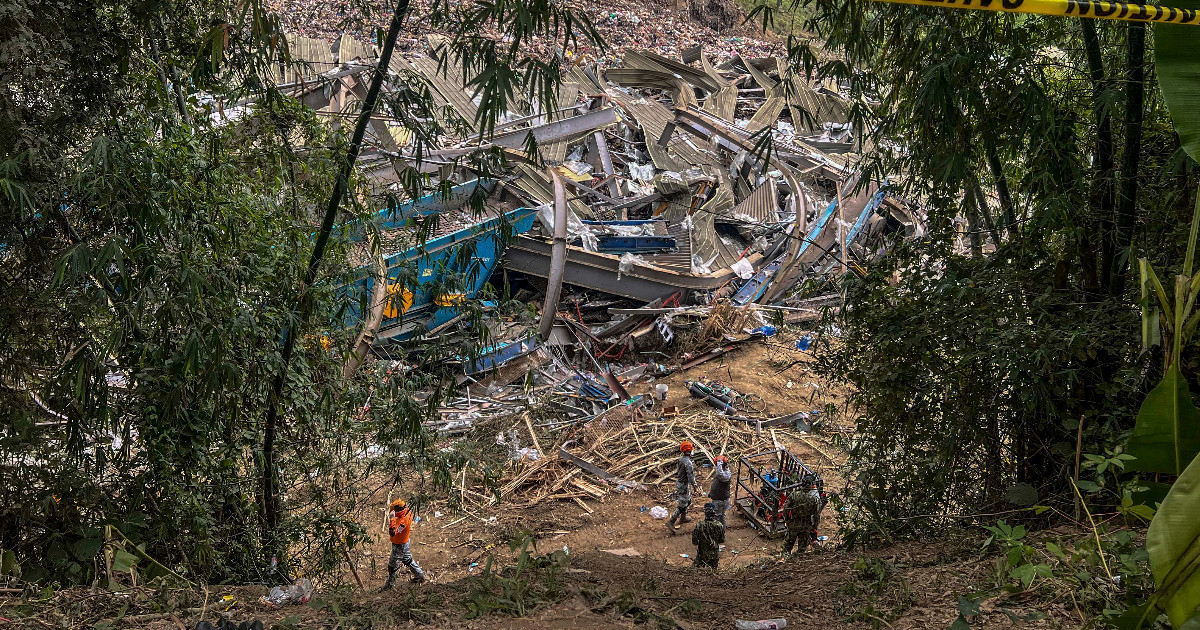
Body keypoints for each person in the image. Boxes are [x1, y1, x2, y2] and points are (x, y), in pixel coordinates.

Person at [382, 498, 426, 588]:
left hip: (400, 545)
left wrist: (392, 519)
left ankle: (389, 585)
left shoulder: (403, 520)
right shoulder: (408, 513)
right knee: (407, 560)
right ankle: (420, 575)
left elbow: (393, 532)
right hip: (403, 543)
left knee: (392, 566)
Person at [781, 474, 825, 555]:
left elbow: (786, 510)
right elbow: (816, 515)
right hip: (806, 525)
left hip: (793, 523)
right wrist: (815, 526)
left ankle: (783, 559)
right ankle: (796, 561)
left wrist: (787, 520)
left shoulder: (794, 495)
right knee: (802, 548)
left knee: (787, 546)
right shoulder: (815, 498)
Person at [667, 441, 701, 534]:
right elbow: (691, 476)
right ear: (689, 451)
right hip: (683, 485)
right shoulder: (688, 463)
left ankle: (683, 518)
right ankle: (671, 522)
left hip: (681, 483)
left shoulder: (681, 459)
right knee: (682, 505)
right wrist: (695, 487)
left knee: (688, 501)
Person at [691, 502, 725, 569]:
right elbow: (722, 540)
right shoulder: (719, 525)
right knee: (713, 573)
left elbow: (694, 542)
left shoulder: (699, 525)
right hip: (714, 554)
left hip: (702, 555)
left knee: (696, 571)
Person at [708, 454, 732, 526]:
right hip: (720, 500)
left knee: (716, 518)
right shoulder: (723, 472)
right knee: (721, 516)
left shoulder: (726, 475)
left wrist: (719, 462)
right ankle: (721, 532)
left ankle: (717, 534)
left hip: (721, 501)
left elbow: (719, 474)